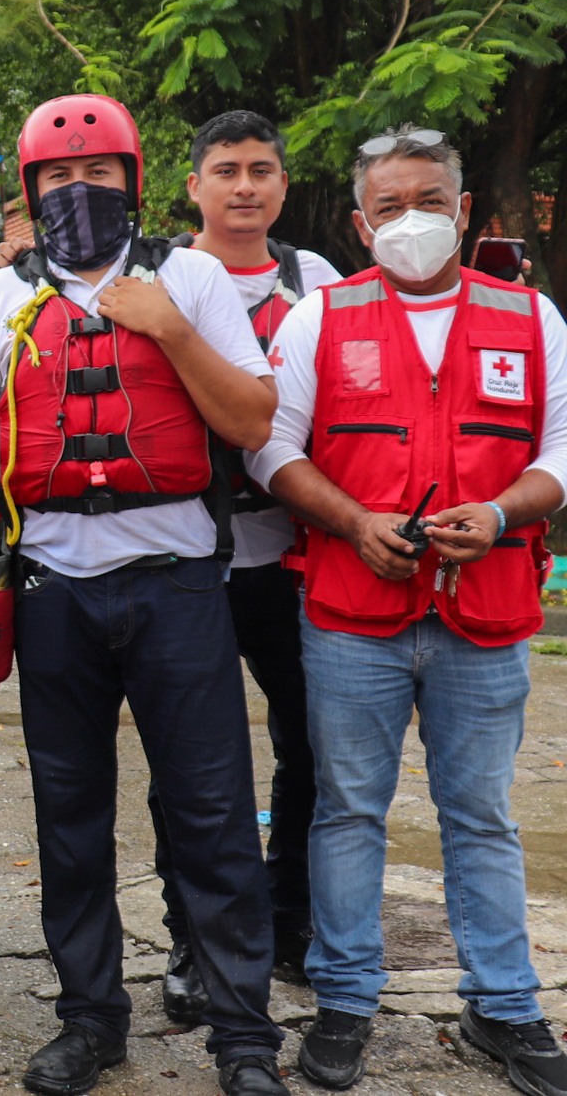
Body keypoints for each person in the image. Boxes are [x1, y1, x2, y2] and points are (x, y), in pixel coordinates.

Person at [0, 94, 286, 1096]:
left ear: (132, 177)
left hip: (175, 589)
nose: (78, 194)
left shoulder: (191, 278)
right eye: (56, 180)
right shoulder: (2, 297)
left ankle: (241, 1036)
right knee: (68, 815)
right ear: (30, 193)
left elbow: (252, 419)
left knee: (208, 812)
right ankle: (88, 1019)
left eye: (97, 176)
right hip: (51, 590)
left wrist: (167, 329)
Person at [249, 126, 567, 1096]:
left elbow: (559, 451)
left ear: (462, 212)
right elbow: (271, 453)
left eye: (428, 202)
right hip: (351, 610)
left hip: (487, 606)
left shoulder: (530, 318)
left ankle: (502, 1006)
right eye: (387, 208)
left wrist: (501, 509)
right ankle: (343, 1000)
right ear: (356, 224)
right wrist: (349, 521)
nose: (410, 222)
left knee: (478, 813)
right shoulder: (315, 321)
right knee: (346, 810)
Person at [149, 111, 342, 1021]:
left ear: (283, 184)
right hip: (186, 556)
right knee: (185, 759)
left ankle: (289, 918)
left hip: (292, 554)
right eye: (224, 169)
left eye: (262, 169)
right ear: (193, 186)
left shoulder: (319, 284)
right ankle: (190, 935)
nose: (244, 186)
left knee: (309, 744)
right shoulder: (155, 279)